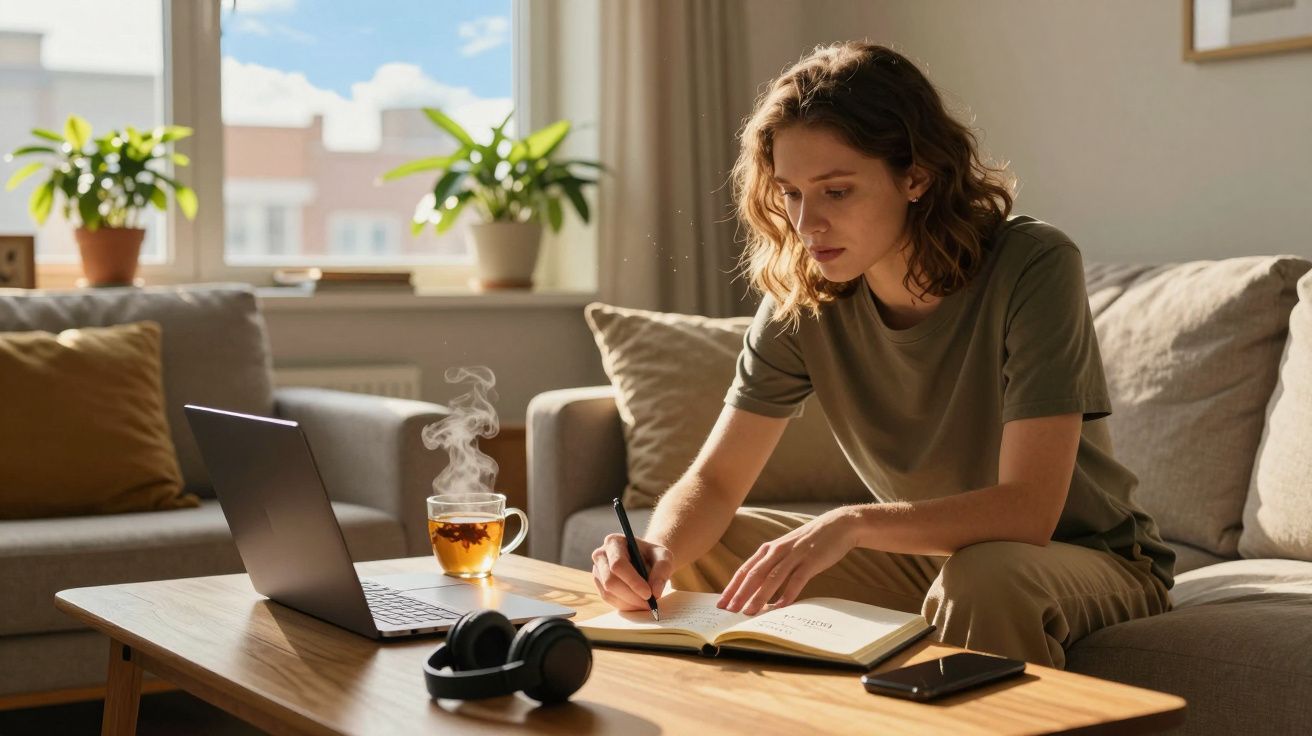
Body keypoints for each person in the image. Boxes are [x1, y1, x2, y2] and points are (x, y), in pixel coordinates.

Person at [590, 40, 1174, 669]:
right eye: (790, 193)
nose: (807, 224)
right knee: (709, 547)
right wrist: (653, 551)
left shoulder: (1033, 266)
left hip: (1085, 560)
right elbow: (715, 480)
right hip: (928, 562)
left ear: (915, 175)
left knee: (986, 574)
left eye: (837, 191)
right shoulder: (804, 294)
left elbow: (1028, 510)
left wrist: (852, 523)